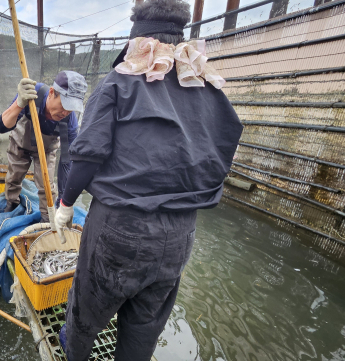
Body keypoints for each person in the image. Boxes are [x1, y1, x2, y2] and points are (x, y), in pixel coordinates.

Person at [54, 0, 243, 360]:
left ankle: (74, 352)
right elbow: (225, 143)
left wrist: (65, 205)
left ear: (136, 35)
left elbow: (87, 153)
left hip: (121, 228)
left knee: (85, 313)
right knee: (145, 326)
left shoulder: (121, 81)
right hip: (180, 234)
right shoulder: (204, 84)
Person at [0, 71, 87, 222]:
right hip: (21, 142)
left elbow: (66, 162)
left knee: (47, 187)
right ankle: (11, 205)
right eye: (64, 105)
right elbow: (2, 127)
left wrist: (63, 203)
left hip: (46, 149)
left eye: (71, 108)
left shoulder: (69, 121)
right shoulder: (33, 94)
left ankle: (48, 218)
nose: (66, 112)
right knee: (14, 177)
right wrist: (19, 103)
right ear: (52, 92)